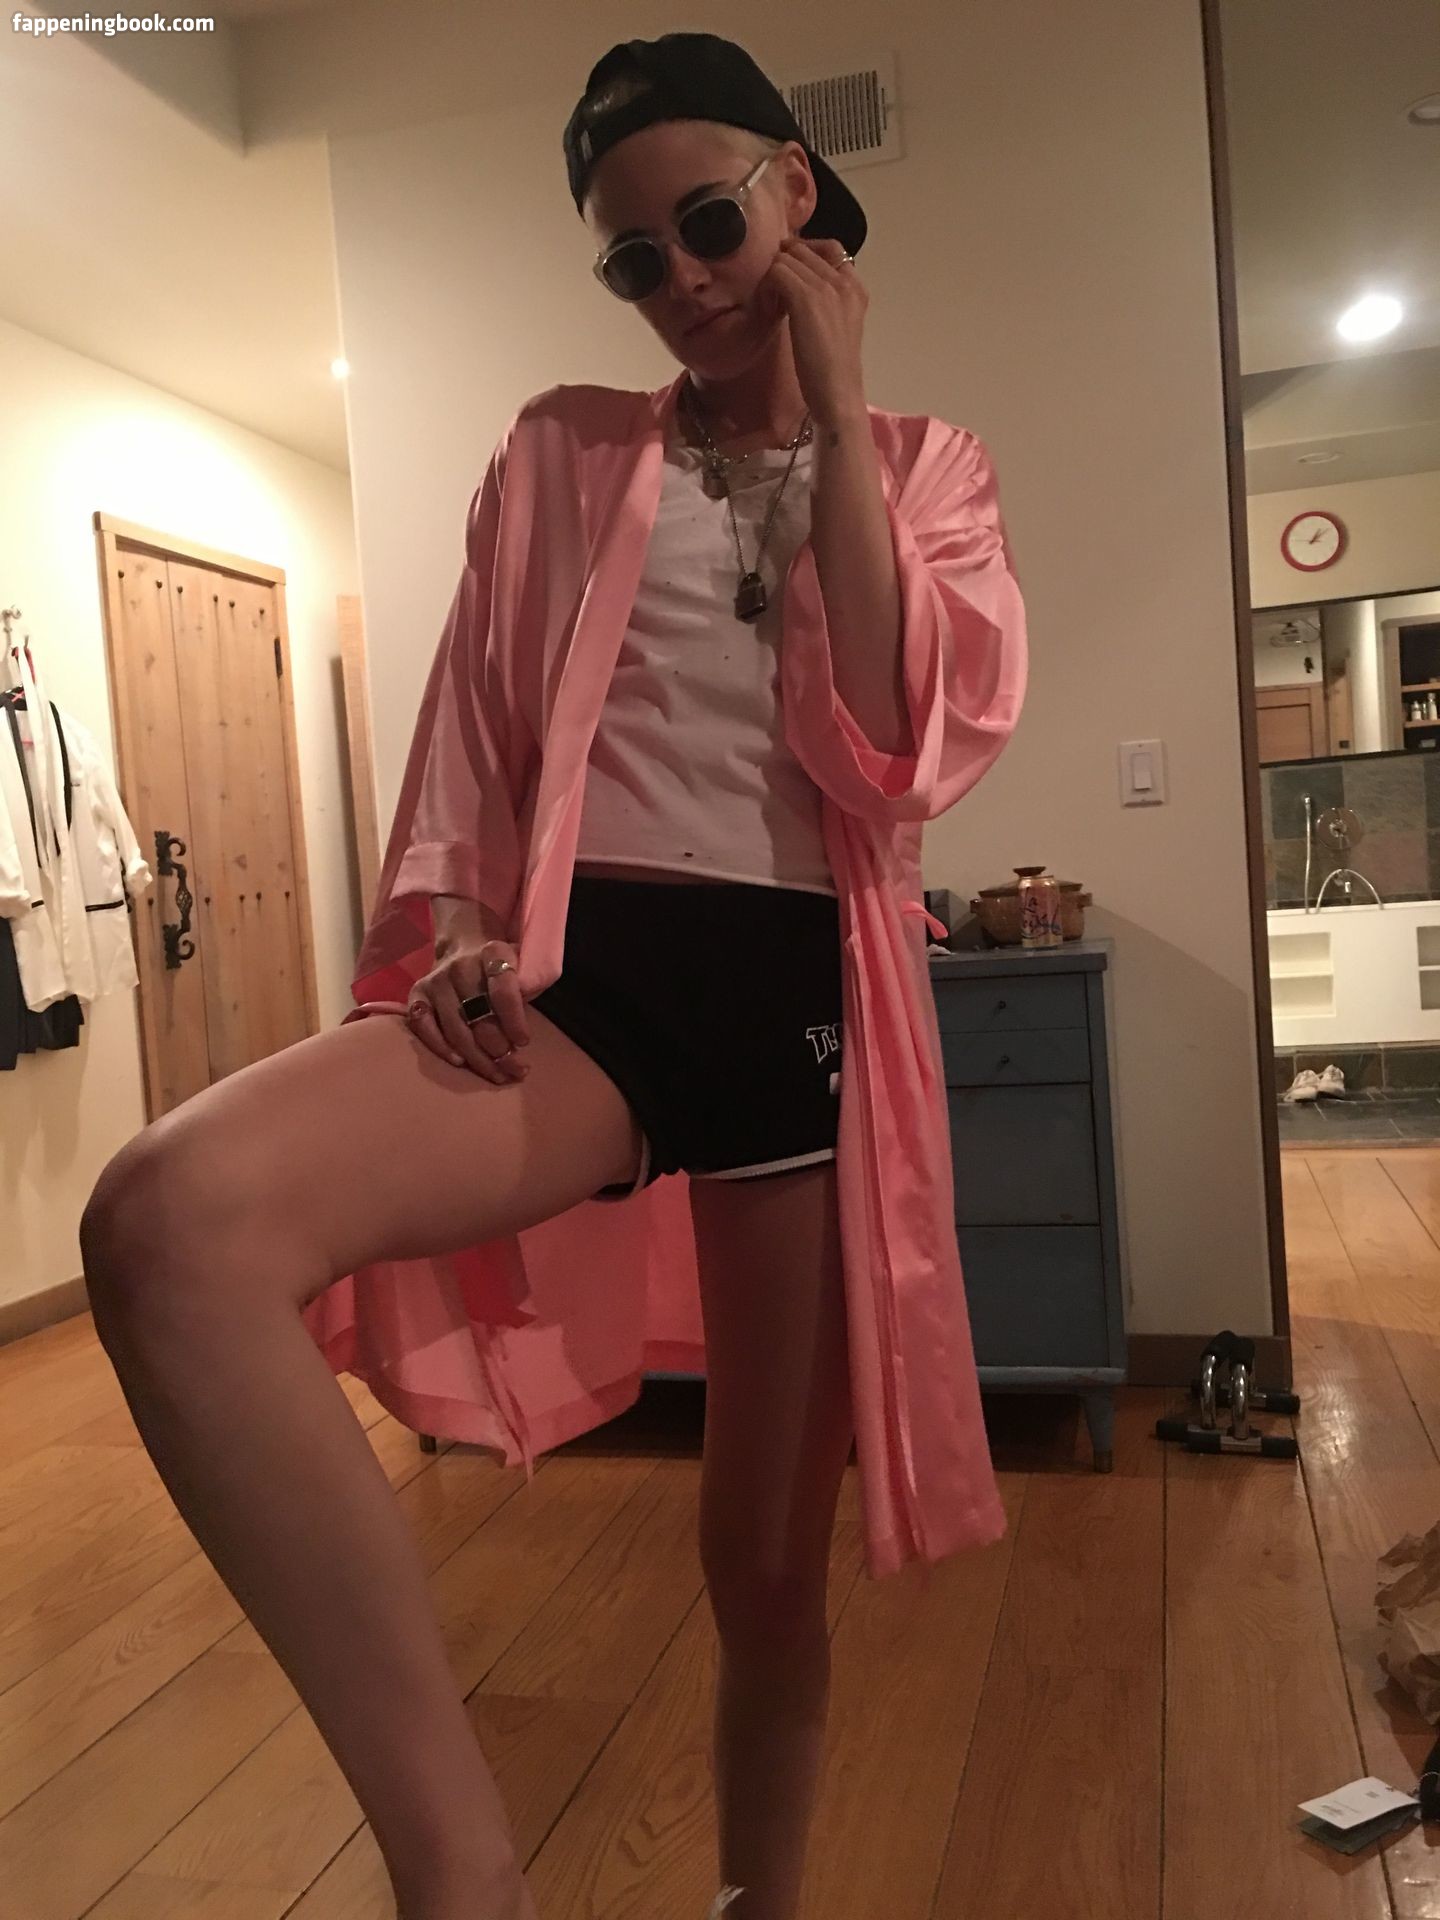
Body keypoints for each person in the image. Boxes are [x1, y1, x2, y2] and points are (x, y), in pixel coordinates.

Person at [79, 31, 1027, 1920]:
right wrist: (460, 927)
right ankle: (466, 1881)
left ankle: (760, 1900)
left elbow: (894, 740)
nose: (682, 282)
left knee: (764, 1563)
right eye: (630, 258)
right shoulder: (560, 453)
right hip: (589, 987)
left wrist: (840, 408)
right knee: (167, 1222)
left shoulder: (929, 467)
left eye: (709, 224)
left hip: (806, 1009)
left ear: (798, 194)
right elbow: (473, 734)